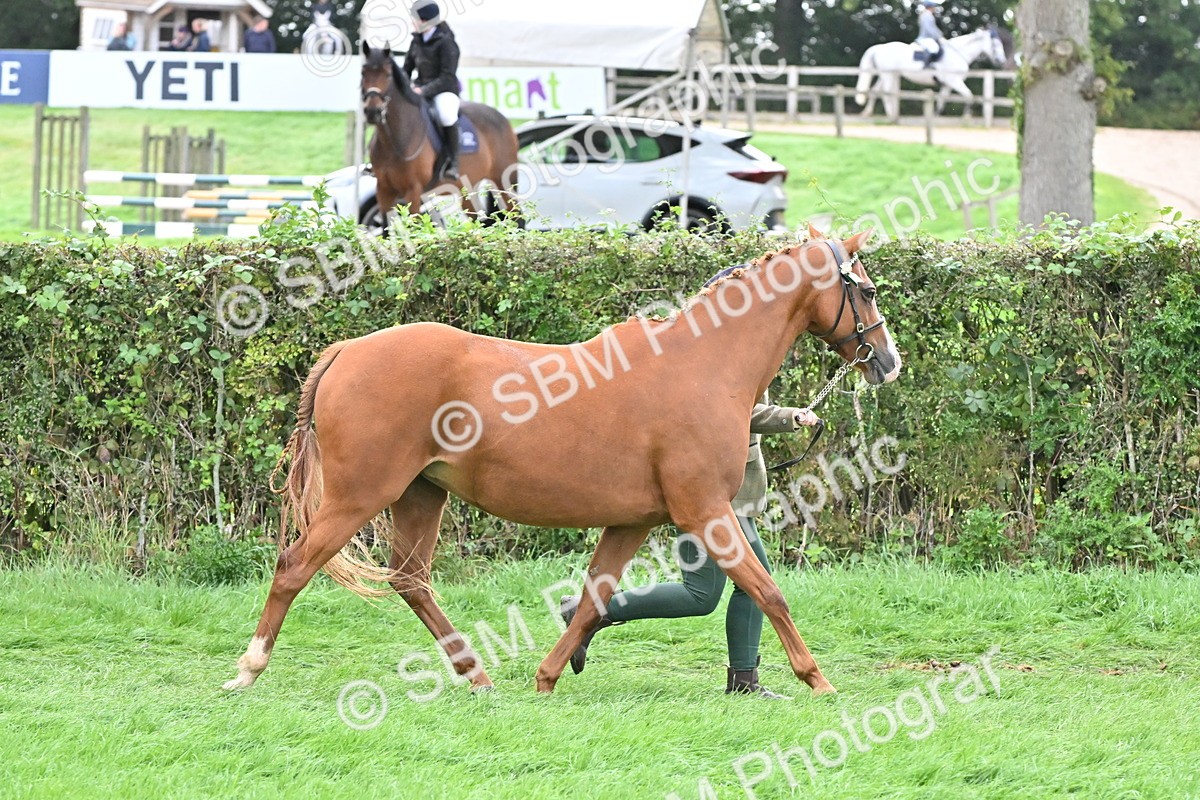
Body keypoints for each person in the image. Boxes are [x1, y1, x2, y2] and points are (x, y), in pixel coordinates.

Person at [561, 394, 823, 699]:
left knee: (730, 589)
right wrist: (789, 417)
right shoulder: (724, 351)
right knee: (709, 592)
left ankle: (744, 680)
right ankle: (588, 612)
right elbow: (734, 408)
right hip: (709, 496)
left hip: (729, 497)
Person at [402, 0, 462, 186]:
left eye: (415, 19)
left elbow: (447, 77)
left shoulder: (447, 43)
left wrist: (423, 90)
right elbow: (406, 69)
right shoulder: (416, 40)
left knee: (446, 115)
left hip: (444, 90)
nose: (412, 22)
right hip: (420, 89)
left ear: (426, 20)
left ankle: (453, 162)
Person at [914, 0, 945, 68]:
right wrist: (938, 36)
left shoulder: (928, 15)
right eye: (933, 7)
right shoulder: (926, 15)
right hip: (926, 38)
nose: (934, 8)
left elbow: (933, 28)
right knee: (934, 48)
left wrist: (939, 34)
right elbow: (929, 29)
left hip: (929, 38)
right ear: (930, 7)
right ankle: (926, 66)